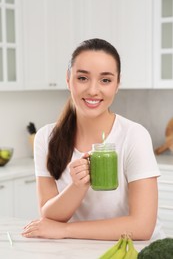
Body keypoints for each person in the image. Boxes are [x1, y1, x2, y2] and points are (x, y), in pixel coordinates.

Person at [22, 38, 165, 241]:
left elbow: (142, 227)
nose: (93, 90)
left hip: (135, 250)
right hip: (80, 250)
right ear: (68, 79)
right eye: (82, 78)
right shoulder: (45, 138)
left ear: (117, 84)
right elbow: (50, 216)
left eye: (105, 80)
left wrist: (65, 231)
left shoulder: (134, 135)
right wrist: (77, 187)